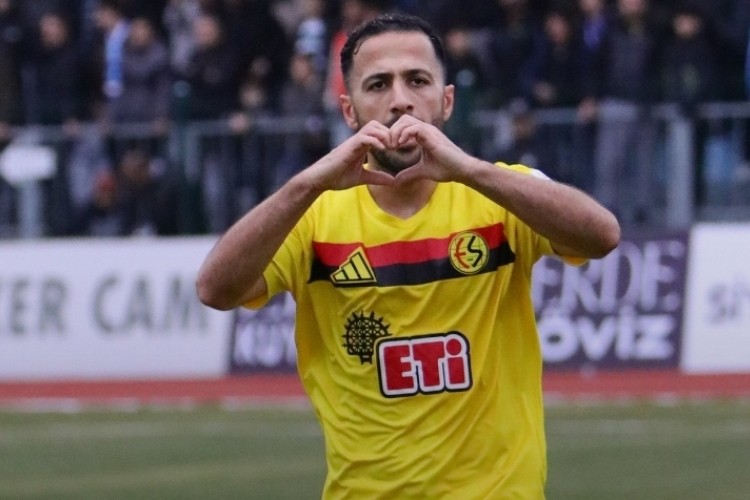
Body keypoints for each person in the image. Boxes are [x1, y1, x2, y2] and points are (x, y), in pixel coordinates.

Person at [197, 13, 620, 498]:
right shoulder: (312, 213)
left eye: (417, 80)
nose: (400, 100)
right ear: (349, 110)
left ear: (446, 101)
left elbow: (602, 235)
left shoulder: (500, 192)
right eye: (378, 84)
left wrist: (471, 171)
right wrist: (306, 185)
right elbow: (215, 289)